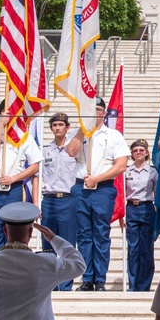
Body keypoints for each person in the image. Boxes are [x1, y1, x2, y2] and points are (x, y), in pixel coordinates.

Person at [68, 97, 129, 291]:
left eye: (97, 110)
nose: (93, 113)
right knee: (84, 234)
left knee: (101, 234)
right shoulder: (80, 134)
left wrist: (98, 178)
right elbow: (70, 151)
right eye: (89, 109)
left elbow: (121, 165)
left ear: (103, 113)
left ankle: (100, 278)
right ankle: (87, 278)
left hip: (102, 188)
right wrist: (81, 129)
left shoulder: (113, 135)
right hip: (81, 187)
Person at [0, 105, 42, 254]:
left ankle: (13, 264)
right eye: (6, 112)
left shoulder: (24, 137)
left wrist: (14, 178)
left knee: (14, 230)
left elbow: (35, 166)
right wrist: (1, 125)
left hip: (14, 189)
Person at [41, 112, 78, 291]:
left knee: (67, 242)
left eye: (61, 125)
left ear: (67, 127)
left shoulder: (74, 149)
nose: (57, 128)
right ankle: (50, 283)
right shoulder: (45, 150)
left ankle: (65, 285)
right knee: (48, 243)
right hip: (48, 200)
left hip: (67, 199)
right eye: (54, 125)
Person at [124, 139, 158, 292]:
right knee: (132, 249)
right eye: (135, 150)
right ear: (131, 154)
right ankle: (133, 284)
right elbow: (122, 192)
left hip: (147, 208)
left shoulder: (152, 171)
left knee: (146, 249)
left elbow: (156, 193)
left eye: (141, 150)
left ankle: (144, 285)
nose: (138, 153)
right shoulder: (126, 171)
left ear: (146, 153)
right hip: (131, 208)